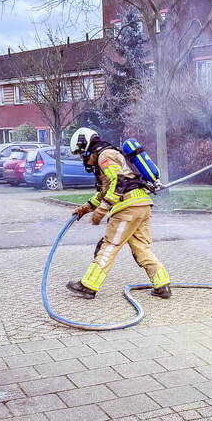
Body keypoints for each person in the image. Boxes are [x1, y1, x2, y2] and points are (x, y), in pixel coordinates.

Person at [66, 128, 172, 300]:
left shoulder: (104, 156)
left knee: (109, 245)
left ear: (86, 146)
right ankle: (162, 284)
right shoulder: (109, 154)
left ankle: (88, 286)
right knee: (141, 248)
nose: (81, 158)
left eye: (80, 153)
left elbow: (119, 182)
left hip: (127, 208)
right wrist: (86, 208)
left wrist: (100, 211)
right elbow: (105, 190)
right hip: (141, 205)